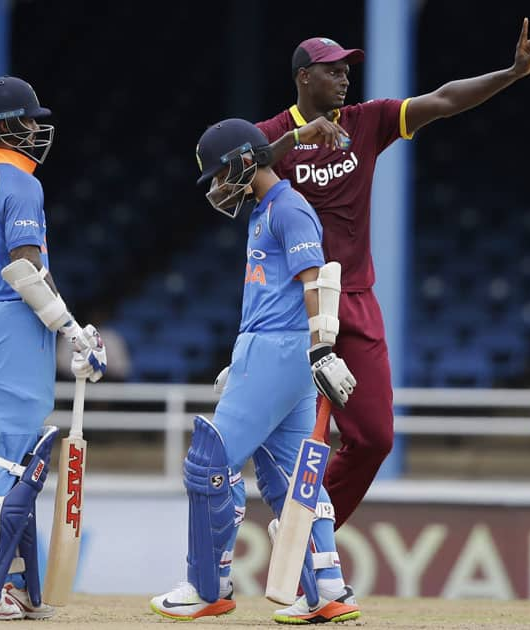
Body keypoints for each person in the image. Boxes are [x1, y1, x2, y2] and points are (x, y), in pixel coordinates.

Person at [256, 19, 530, 529]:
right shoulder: (272, 135)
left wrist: (512, 73)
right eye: (333, 71)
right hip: (292, 302)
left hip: (354, 299)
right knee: (270, 430)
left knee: (374, 439)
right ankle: (218, 552)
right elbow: (228, 174)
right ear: (304, 78)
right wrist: (299, 137)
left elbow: (442, 99)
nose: (345, 79)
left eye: (348, 71)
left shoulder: (367, 121)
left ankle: (300, 528)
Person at [150, 118, 358, 623]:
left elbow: (317, 281)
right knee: (292, 478)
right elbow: (278, 294)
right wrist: (242, 361)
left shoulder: (288, 209)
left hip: (280, 352)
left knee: (208, 464)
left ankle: (207, 586)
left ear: (246, 161)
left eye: (221, 175)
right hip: (268, 352)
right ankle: (326, 587)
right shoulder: (266, 211)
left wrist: (321, 349)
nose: (219, 188)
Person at [0, 75, 108, 620]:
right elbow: (27, 268)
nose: (38, 129)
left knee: (5, 453)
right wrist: (71, 330)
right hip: (14, 319)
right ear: (6, 125)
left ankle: (10, 580)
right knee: (16, 458)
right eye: (30, 120)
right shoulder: (20, 182)